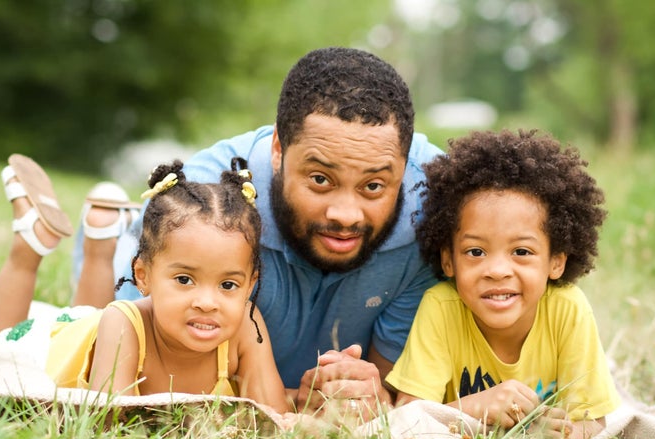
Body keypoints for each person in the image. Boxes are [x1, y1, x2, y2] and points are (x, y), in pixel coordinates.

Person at [78, 47, 443, 416]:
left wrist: (377, 394)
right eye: (320, 179)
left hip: (262, 379)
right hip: (206, 357)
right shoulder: (199, 210)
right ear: (278, 150)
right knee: (83, 320)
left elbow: (398, 385)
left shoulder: (435, 210)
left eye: (373, 187)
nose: (345, 215)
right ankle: (101, 238)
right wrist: (294, 400)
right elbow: (134, 360)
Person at [0, 155, 290, 414]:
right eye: (185, 279)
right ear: (143, 276)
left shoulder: (245, 327)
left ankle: (102, 240)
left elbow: (273, 418)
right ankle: (29, 244)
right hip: (48, 346)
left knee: (89, 312)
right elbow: (111, 420)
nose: (207, 302)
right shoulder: (122, 322)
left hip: (93, 328)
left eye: (227, 285)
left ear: (250, 285)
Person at [385, 129, 621, 439]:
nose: (497, 271)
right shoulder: (441, 308)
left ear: (556, 261)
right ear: (448, 260)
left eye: (521, 252)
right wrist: (477, 408)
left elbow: (592, 421)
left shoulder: (567, 307)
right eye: (476, 252)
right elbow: (408, 416)